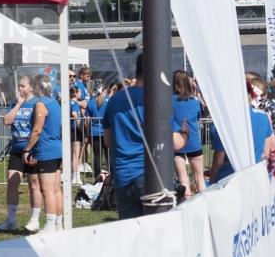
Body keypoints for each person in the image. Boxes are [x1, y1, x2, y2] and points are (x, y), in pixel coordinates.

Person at [103, 54, 188, 219]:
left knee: (132, 237)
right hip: (151, 178)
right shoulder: (156, 100)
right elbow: (177, 143)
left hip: (123, 177)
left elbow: (107, 140)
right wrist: (185, 133)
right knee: (158, 235)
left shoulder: (115, 100)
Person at [208, 79, 275, 184]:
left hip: (228, 180)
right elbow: (265, 154)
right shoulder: (263, 116)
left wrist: (212, 181)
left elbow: (219, 161)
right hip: (254, 178)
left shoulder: (225, 120)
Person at [0, 76, 42, 232]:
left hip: (32, 149)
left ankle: (34, 220)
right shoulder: (17, 103)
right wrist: (18, 104)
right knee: (12, 182)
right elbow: (7, 121)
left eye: (23, 86)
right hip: (16, 149)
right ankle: (11, 220)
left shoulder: (38, 103)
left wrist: (32, 150)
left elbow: (40, 127)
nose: (20, 89)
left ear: (31, 87)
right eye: (19, 86)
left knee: (33, 184)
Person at [23, 75, 64, 233]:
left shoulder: (41, 104)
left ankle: (49, 225)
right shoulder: (55, 102)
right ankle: (58, 225)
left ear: (36, 87)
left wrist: (27, 149)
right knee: (55, 189)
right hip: (56, 148)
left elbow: (37, 129)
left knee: (47, 190)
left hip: (46, 150)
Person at [172, 70, 205, 199]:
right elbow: (198, 117)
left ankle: (187, 205)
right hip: (193, 141)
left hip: (177, 142)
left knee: (183, 180)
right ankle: (204, 205)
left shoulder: (169, 101)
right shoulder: (195, 101)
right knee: (199, 178)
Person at [87, 83, 115, 182]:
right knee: (108, 155)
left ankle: (97, 176)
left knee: (97, 156)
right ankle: (110, 175)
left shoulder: (90, 102)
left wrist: (87, 131)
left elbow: (87, 119)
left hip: (94, 132)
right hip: (106, 131)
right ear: (104, 90)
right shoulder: (109, 100)